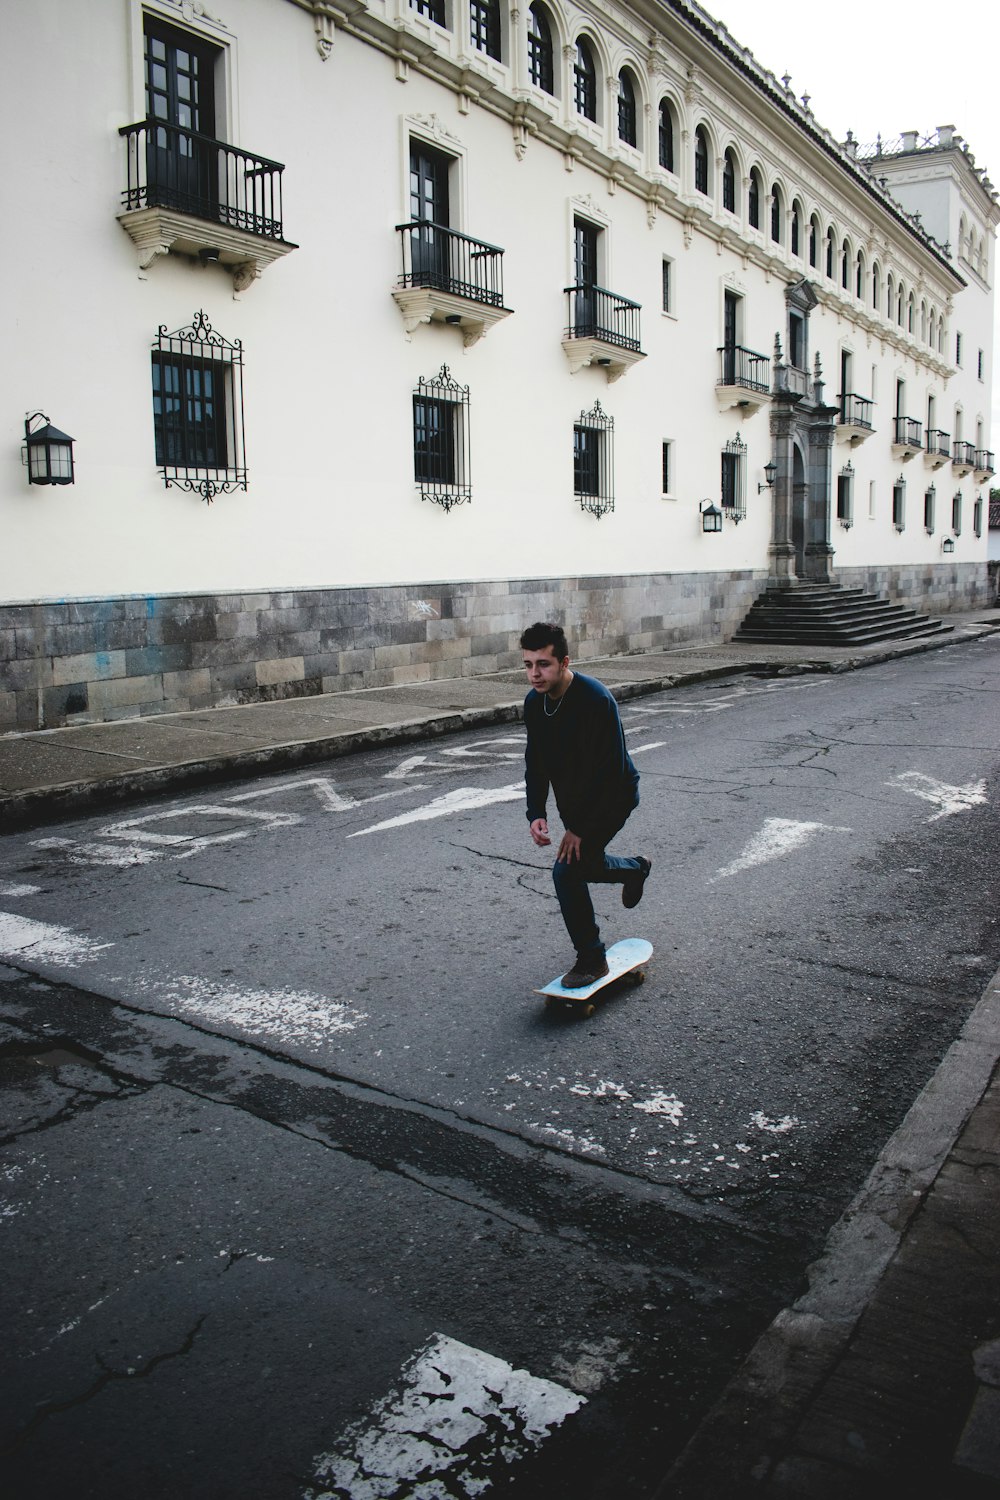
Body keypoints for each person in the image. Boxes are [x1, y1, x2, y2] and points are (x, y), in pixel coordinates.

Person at [520, 621, 651, 987]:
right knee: (585, 865)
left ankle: (593, 959)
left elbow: (611, 775)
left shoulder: (596, 701)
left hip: (613, 798)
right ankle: (633, 869)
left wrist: (580, 830)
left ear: (564, 662)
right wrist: (536, 813)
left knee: (567, 871)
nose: (534, 674)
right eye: (528, 664)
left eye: (543, 664)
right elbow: (537, 762)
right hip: (576, 802)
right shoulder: (535, 703)